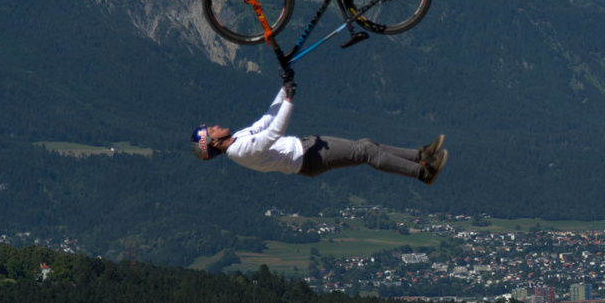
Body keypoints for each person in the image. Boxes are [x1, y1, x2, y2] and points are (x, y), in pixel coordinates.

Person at [191, 83, 447, 184]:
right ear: (212, 142)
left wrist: (282, 90)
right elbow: (274, 131)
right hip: (309, 159)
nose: (215, 126)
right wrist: (289, 101)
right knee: (367, 152)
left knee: (366, 144)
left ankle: (420, 155)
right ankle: (423, 172)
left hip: (307, 147)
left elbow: (265, 120)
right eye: (211, 130)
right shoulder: (238, 150)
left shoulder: (237, 138)